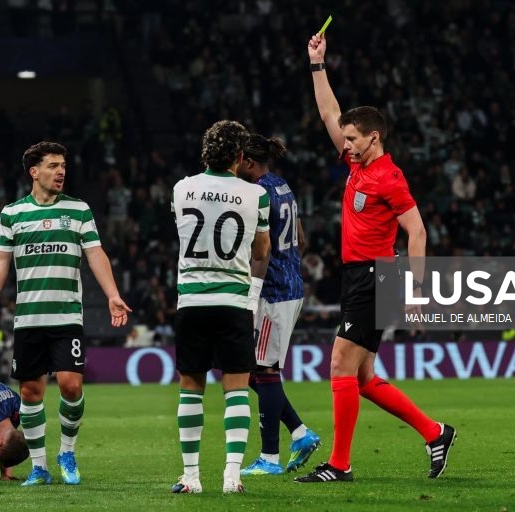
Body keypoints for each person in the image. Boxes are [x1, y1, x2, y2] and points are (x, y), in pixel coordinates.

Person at [295, 33, 456, 483]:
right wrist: (317, 65)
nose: (343, 145)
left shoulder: (389, 177)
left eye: (351, 139)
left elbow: (418, 231)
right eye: (344, 139)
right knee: (362, 377)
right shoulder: (357, 165)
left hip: (375, 276)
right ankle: (435, 432)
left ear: (373, 138)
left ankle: (340, 464)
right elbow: (329, 111)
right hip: (358, 277)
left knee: (340, 366)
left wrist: (419, 292)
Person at [0, 141, 131, 486]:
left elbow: (95, 254)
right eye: (52, 166)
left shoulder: (78, 210)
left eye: (63, 165)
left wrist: (112, 295)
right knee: (31, 393)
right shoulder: (12, 214)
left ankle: (67, 451)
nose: (61, 171)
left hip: (66, 318)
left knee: (71, 385)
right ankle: (40, 467)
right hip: (29, 320)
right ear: (34, 172)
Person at [170, 120, 271, 494]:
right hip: (234, 301)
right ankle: (232, 476)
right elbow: (261, 251)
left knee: (190, 387)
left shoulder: (182, 189)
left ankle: (191, 476)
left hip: (193, 300)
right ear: (240, 157)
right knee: (237, 390)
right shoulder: (255, 195)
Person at [236, 134, 321, 476]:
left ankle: (269, 457)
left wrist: (254, 290)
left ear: (249, 163)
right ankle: (299, 433)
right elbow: (301, 238)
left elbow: (263, 248)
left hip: (273, 292)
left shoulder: (257, 193)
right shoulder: (282, 186)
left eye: (239, 161)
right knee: (250, 370)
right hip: (291, 284)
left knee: (264, 371)